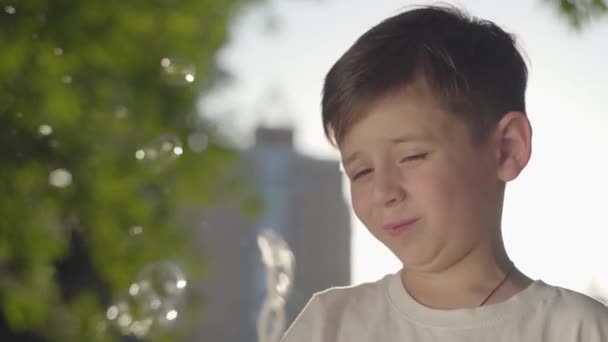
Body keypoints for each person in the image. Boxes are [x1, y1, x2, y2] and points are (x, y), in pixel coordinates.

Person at [281, 4, 608, 341]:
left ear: (507, 148)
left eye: (412, 156)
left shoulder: (578, 329)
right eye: (361, 171)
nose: (383, 192)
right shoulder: (330, 324)